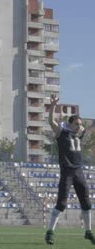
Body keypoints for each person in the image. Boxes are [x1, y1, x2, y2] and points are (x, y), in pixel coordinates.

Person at [45, 94, 95, 245]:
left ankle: (88, 232)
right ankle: (50, 232)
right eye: (77, 123)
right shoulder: (62, 133)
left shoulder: (79, 135)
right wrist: (53, 106)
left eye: (81, 124)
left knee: (86, 204)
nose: (80, 126)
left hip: (78, 171)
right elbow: (51, 122)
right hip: (67, 172)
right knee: (61, 204)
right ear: (70, 123)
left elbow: (92, 127)